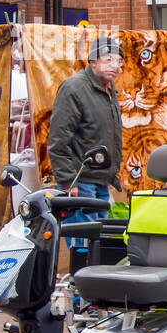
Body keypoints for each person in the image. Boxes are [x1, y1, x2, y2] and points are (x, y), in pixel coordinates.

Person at [49, 35, 123, 251]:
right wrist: (68, 180)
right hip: (80, 182)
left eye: (118, 61)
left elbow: (106, 134)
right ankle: (78, 280)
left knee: (100, 240)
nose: (115, 65)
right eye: (108, 59)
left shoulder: (109, 89)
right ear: (92, 62)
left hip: (100, 181)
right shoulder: (74, 88)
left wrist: (109, 175)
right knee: (82, 242)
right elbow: (58, 139)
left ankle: (95, 282)